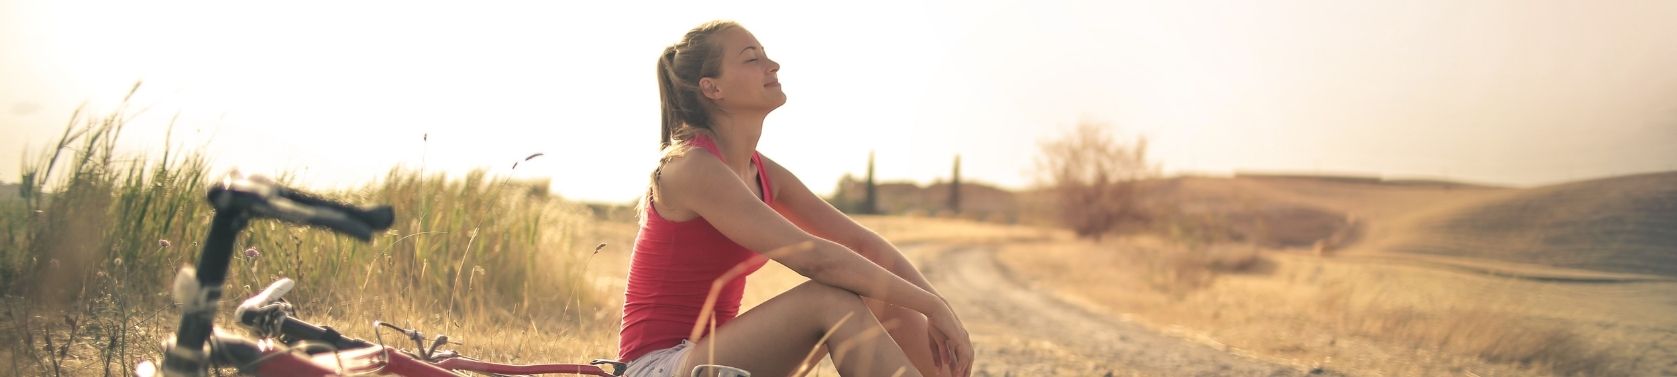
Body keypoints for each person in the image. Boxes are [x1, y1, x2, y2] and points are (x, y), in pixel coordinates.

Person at [618, 20, 973, 377]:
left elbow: (863, 245)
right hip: (657, 367)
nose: (772, 65)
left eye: (766, 56)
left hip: (717, 358)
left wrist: (939, 308)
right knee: (829, 298)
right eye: (751, 59)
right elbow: (817, 260)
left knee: (877, 286)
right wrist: (931, 305)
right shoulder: (690, 167)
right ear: (712, 88)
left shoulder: (762, 172)